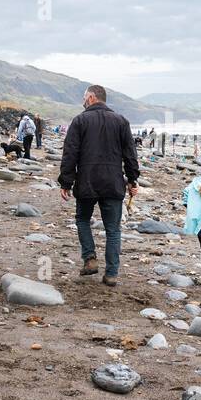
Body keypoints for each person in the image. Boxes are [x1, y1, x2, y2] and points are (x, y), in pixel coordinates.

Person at [58, 85, 140, 287]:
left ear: (93, 98)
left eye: (84, 97)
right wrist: (132, 179)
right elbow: (130, 154)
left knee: (83, 219)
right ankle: (111, 273)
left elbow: (70, 153)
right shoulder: (121, 121)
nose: (83, 101)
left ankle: (90, 258)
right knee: (113, 229)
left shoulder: (80, 121)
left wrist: (66, 182)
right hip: (113, 182)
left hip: (87, 180)